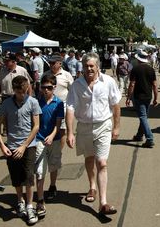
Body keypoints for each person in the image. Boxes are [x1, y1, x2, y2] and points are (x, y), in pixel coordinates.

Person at [65, 52, 121, 216]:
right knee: (89, 159)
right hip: (84, 127)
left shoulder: (108, 82)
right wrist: (70, 132)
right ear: (82, 67)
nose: (89, 69)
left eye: (91, 66)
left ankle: (103, 203)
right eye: (86, 66)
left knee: (102, 163)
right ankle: (92, 186)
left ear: (97, 67)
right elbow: (70, 108)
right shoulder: (76, 85)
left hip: (103, 126)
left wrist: (116, 127)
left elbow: (116, 105)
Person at [0, 75, 41, 225]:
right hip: (12, 145)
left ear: (27, 88)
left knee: (29, 176)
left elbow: (36, 126)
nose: (22, 95)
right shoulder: (7, 104)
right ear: (13, 90)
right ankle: (20, 201)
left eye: (24, 91)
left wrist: (24, 145)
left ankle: (29, 205)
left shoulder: (33, 102)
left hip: (29, 145)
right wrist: (2, 145)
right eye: (19, 92)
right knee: (16, 177)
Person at [42, 53, 74, 199]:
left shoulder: (66, 75)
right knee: (51, 128)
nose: (51, 64)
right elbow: (40, 90)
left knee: (62, 130)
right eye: (50, 62)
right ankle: (54, 150)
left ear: (59, 63)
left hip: (63, 105)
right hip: (47, 106)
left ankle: (57, 150)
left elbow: (72, 91)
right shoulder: (46, 74)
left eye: (54, 62)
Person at [34, 74, 64, 218]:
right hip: (39, 139)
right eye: (43, 87)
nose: (46, 90)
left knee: (54, 165)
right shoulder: (36, 102)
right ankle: (40, 201)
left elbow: (58, 124)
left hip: (55, 139)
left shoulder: (59, 103)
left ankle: (52, 185)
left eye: (49, 88)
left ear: (54, 87)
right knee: (39, 171)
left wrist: (52, 136)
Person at [126, 51, 158, 148]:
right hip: (148, 96)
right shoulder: (151, 69)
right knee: (143, 116)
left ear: (138, 59)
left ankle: (150, 138)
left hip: (138, 96)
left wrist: (128, 97)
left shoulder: (135, 69)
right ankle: (139, 135)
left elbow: (132, 84)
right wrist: (156, 97)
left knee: (142, 117)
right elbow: (155, 85)